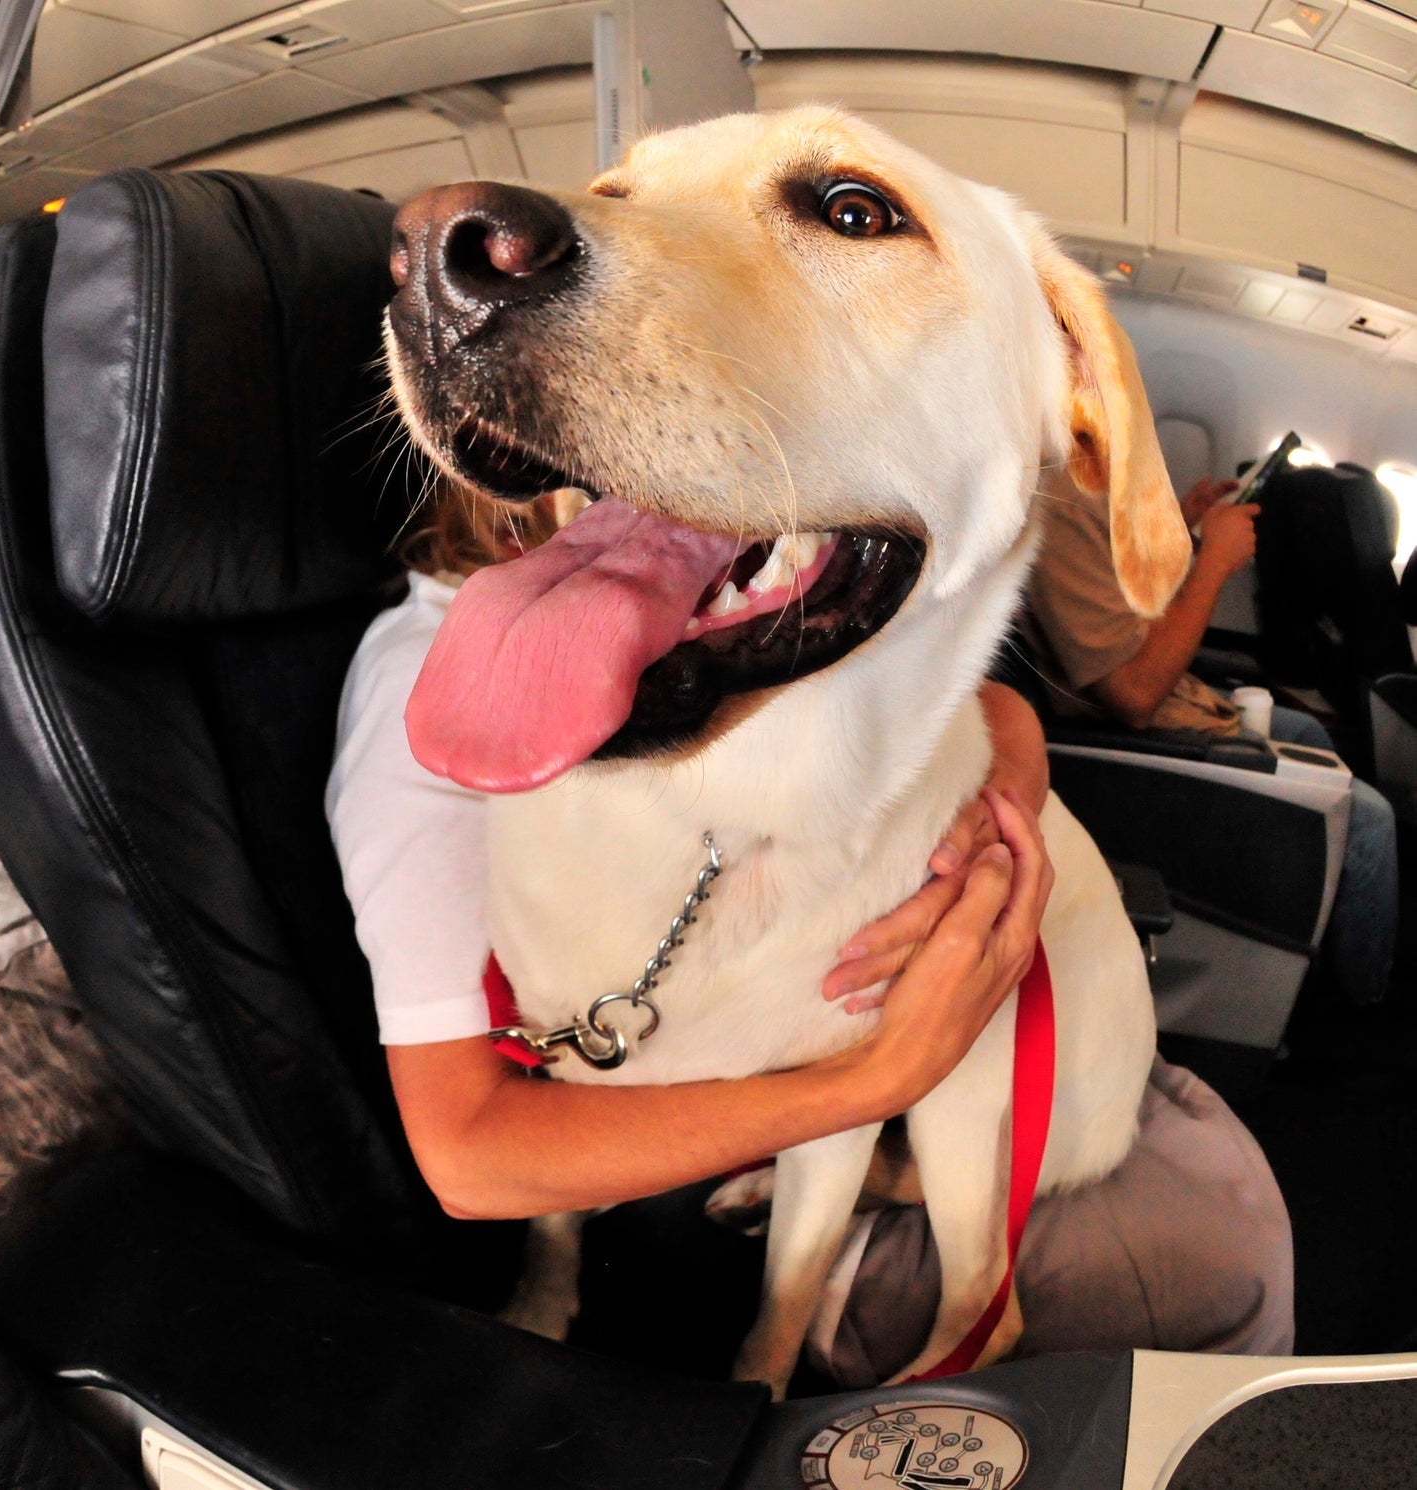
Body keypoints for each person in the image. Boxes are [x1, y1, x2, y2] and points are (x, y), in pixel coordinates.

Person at [326, 487, 1292, 1387]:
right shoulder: (455, 704)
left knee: (1230, 1206)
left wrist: (1013, 760)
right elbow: (469, 1148)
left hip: (886, 1049)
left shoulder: (669, 624)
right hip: (771, 1106)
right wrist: (876, 1080)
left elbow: (922, 708)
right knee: (1230, 1260)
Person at [1029, 466, 1399, 1005]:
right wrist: (1213, 563)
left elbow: (1122, 600)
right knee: (1369, 820)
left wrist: (1183, 524)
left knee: (1306, 731)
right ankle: (1360, 1021)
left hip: (1181, 702)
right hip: (1141, 738)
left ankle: (1313, 960)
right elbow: (1133, 695)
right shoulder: (1058, 497)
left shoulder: (1084, 479)